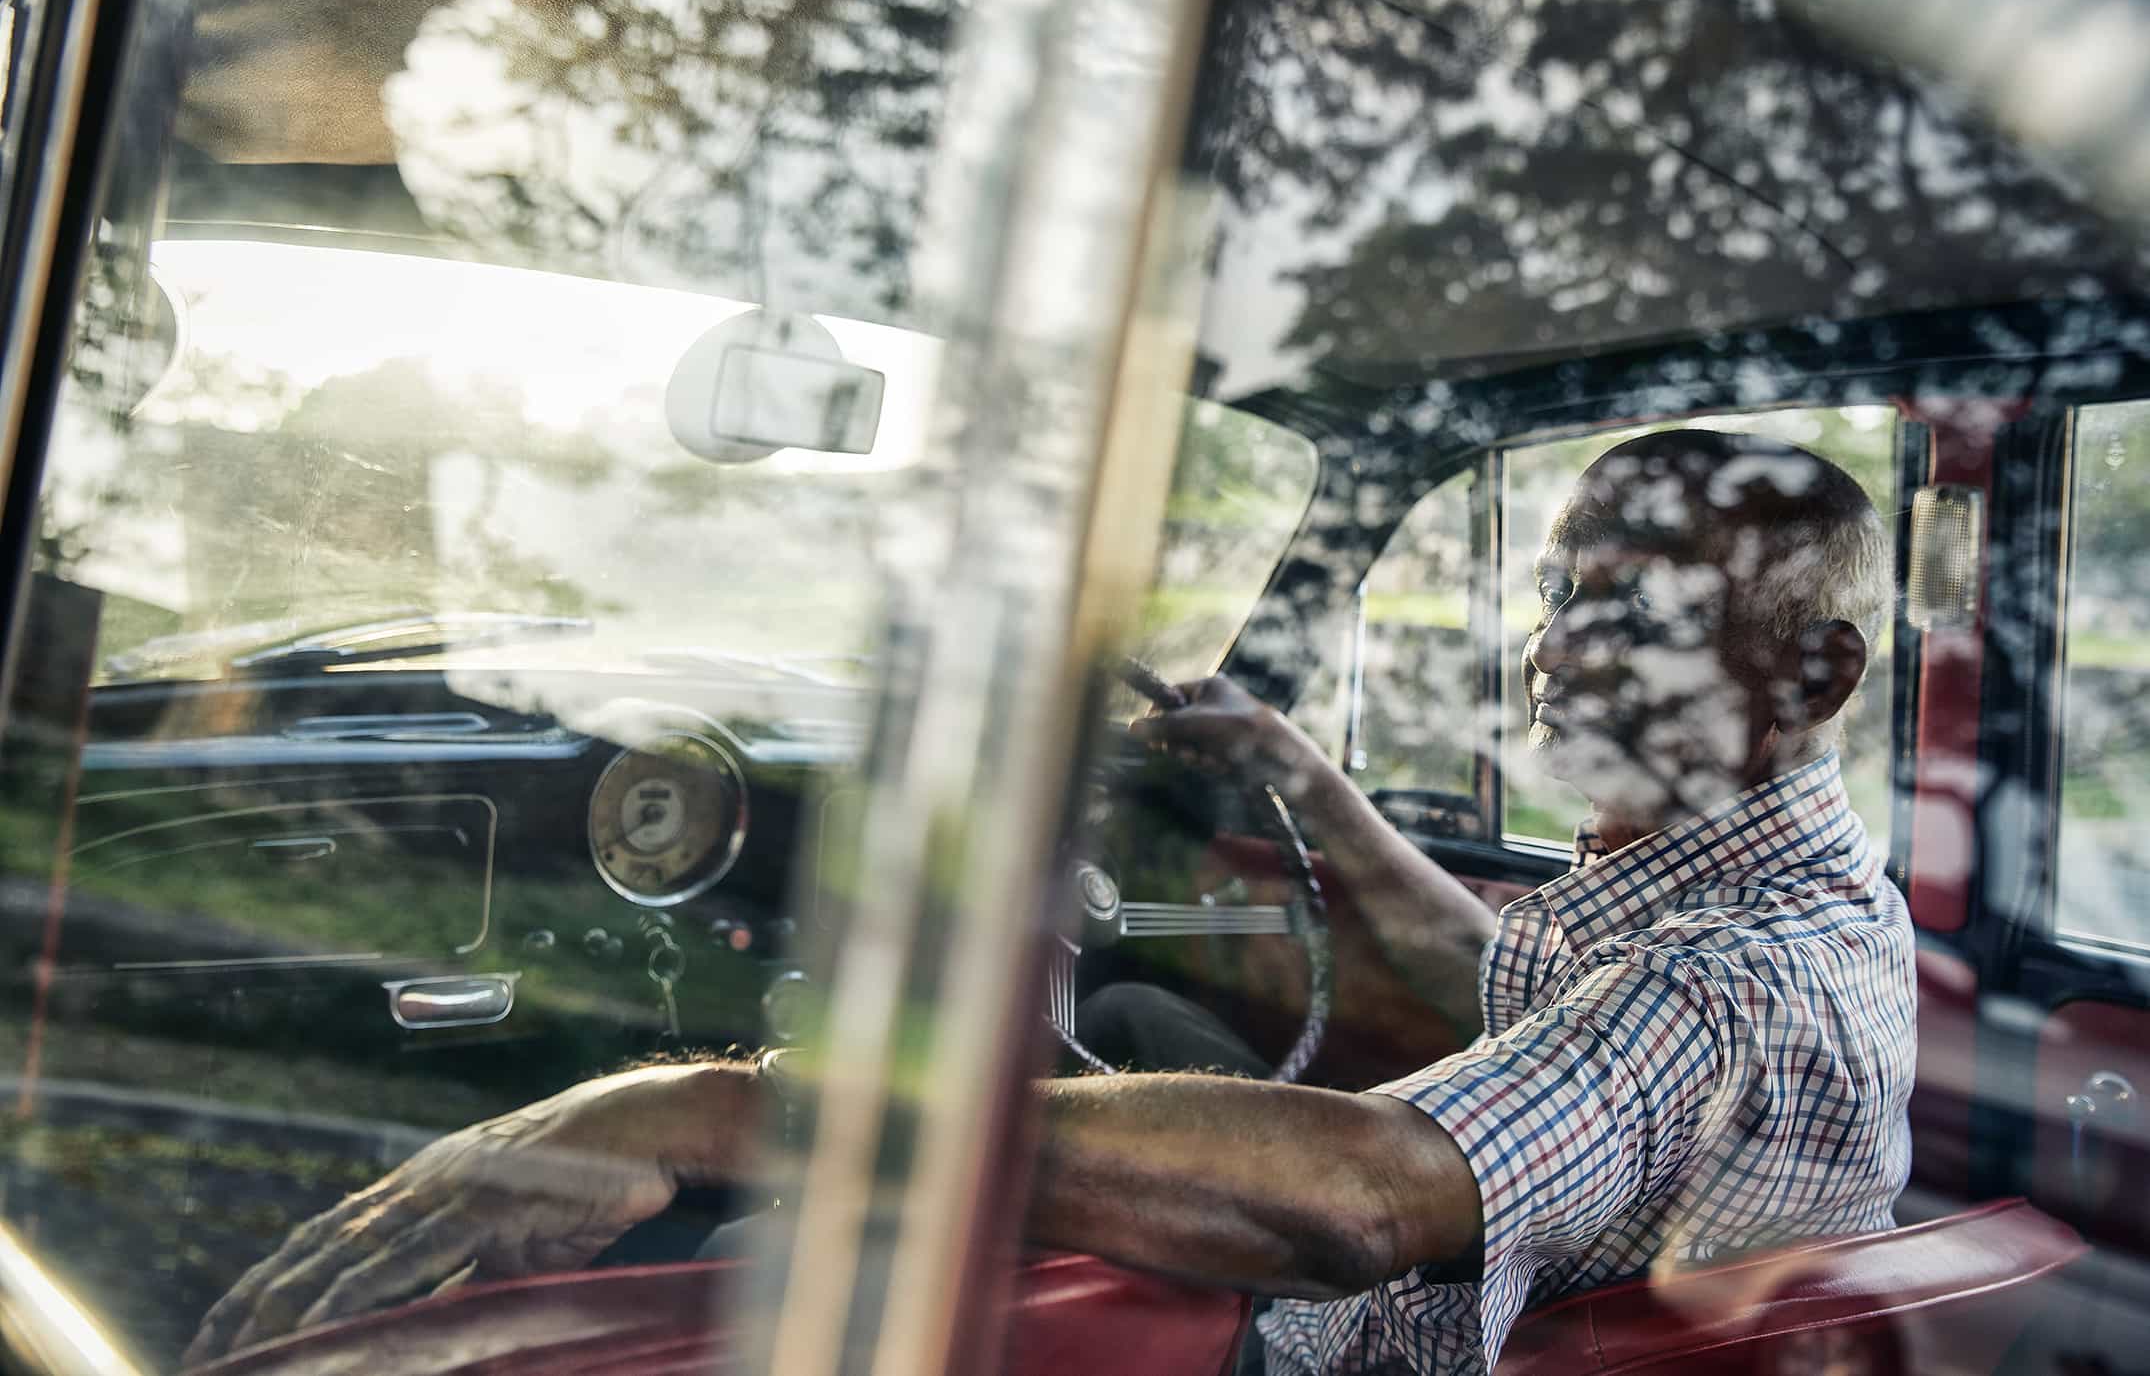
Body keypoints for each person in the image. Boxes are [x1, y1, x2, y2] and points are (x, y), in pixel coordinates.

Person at [182, 430, 1915, 1375]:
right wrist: (1305, 778)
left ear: (1813, 663)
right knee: (1147, 1032)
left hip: (1346, 1346)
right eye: (1552, 596)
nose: (1546, 651)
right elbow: (1502, 987)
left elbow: (1361, 1203)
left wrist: (711, 1101)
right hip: (1505, 1296)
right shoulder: (1801, 893)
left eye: (1623, 612)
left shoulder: (1729, 976)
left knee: (756, 1249)